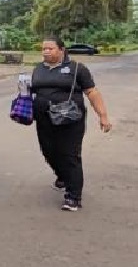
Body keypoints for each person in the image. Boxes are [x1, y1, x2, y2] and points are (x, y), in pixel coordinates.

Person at [30, 36, 113, 211]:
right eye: (43, 48)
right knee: (49, 152)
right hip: (44, 119)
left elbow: (92, 92)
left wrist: (103, 116)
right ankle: (62, 176)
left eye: (50, 48)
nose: (45, 51)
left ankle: (73, 197)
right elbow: (33, 92)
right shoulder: (38, 69)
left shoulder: (77, 69)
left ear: (61, 50)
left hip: (70, 121)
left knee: (69, 155)